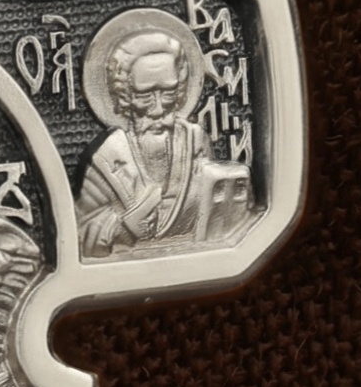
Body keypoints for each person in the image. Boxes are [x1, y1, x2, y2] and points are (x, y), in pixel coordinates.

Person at [77, 29, 249, 252]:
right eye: (145, 95)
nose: (158, 109)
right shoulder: (107, 158)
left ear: (180, 89)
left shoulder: (195, 141)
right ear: (125, 95)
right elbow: (80, 233)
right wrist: (123, 228)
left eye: (168, 93)